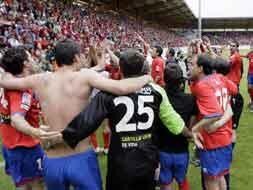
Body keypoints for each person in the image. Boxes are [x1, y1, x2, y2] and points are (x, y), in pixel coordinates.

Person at [0, 40, 152, 190]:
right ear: (75, 58)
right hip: (81, 157)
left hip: (53, 160)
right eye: (81, 55)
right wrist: (146, 78)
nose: (83, 59)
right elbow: (120, 88)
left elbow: (5, 81)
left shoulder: (40, 79)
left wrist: (7, 65)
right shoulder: (84, 76)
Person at [60, 49, 192, 190]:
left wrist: (60, 137)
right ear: (143, 68)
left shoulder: (108, 93)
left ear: (121, 69)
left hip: (120, 162)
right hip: (147, 159)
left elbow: (86, 122)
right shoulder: (157, 91)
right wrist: (190, 135)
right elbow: (174, 122)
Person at [0, 47, 57, 190]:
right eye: (30, 57)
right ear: (25, 63)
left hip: (10, 145)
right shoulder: (22, 91)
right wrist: (35, 131)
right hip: (26, 148)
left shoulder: (7, 81)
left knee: (21, 184)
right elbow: (16, 119)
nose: (33, 59)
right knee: (37, 185)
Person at [189, 54, 237, 190]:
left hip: (212, 142)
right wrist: (227, 110)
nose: (189, 67)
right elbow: (234, 90)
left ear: (200, 68)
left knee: (210, 181)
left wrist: (195, 129)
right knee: (220, 176)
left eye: (192, 64)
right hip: (225, 139)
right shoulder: (220, 77)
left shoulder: (201, 85)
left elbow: (213, 114)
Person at [155, 63, 198, 190]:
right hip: (181, 148)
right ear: (181, 82)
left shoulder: (158, 98)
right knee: (182, 180)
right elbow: (193, 122)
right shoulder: (190, 99)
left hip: (163, 148)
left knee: (166, 182)